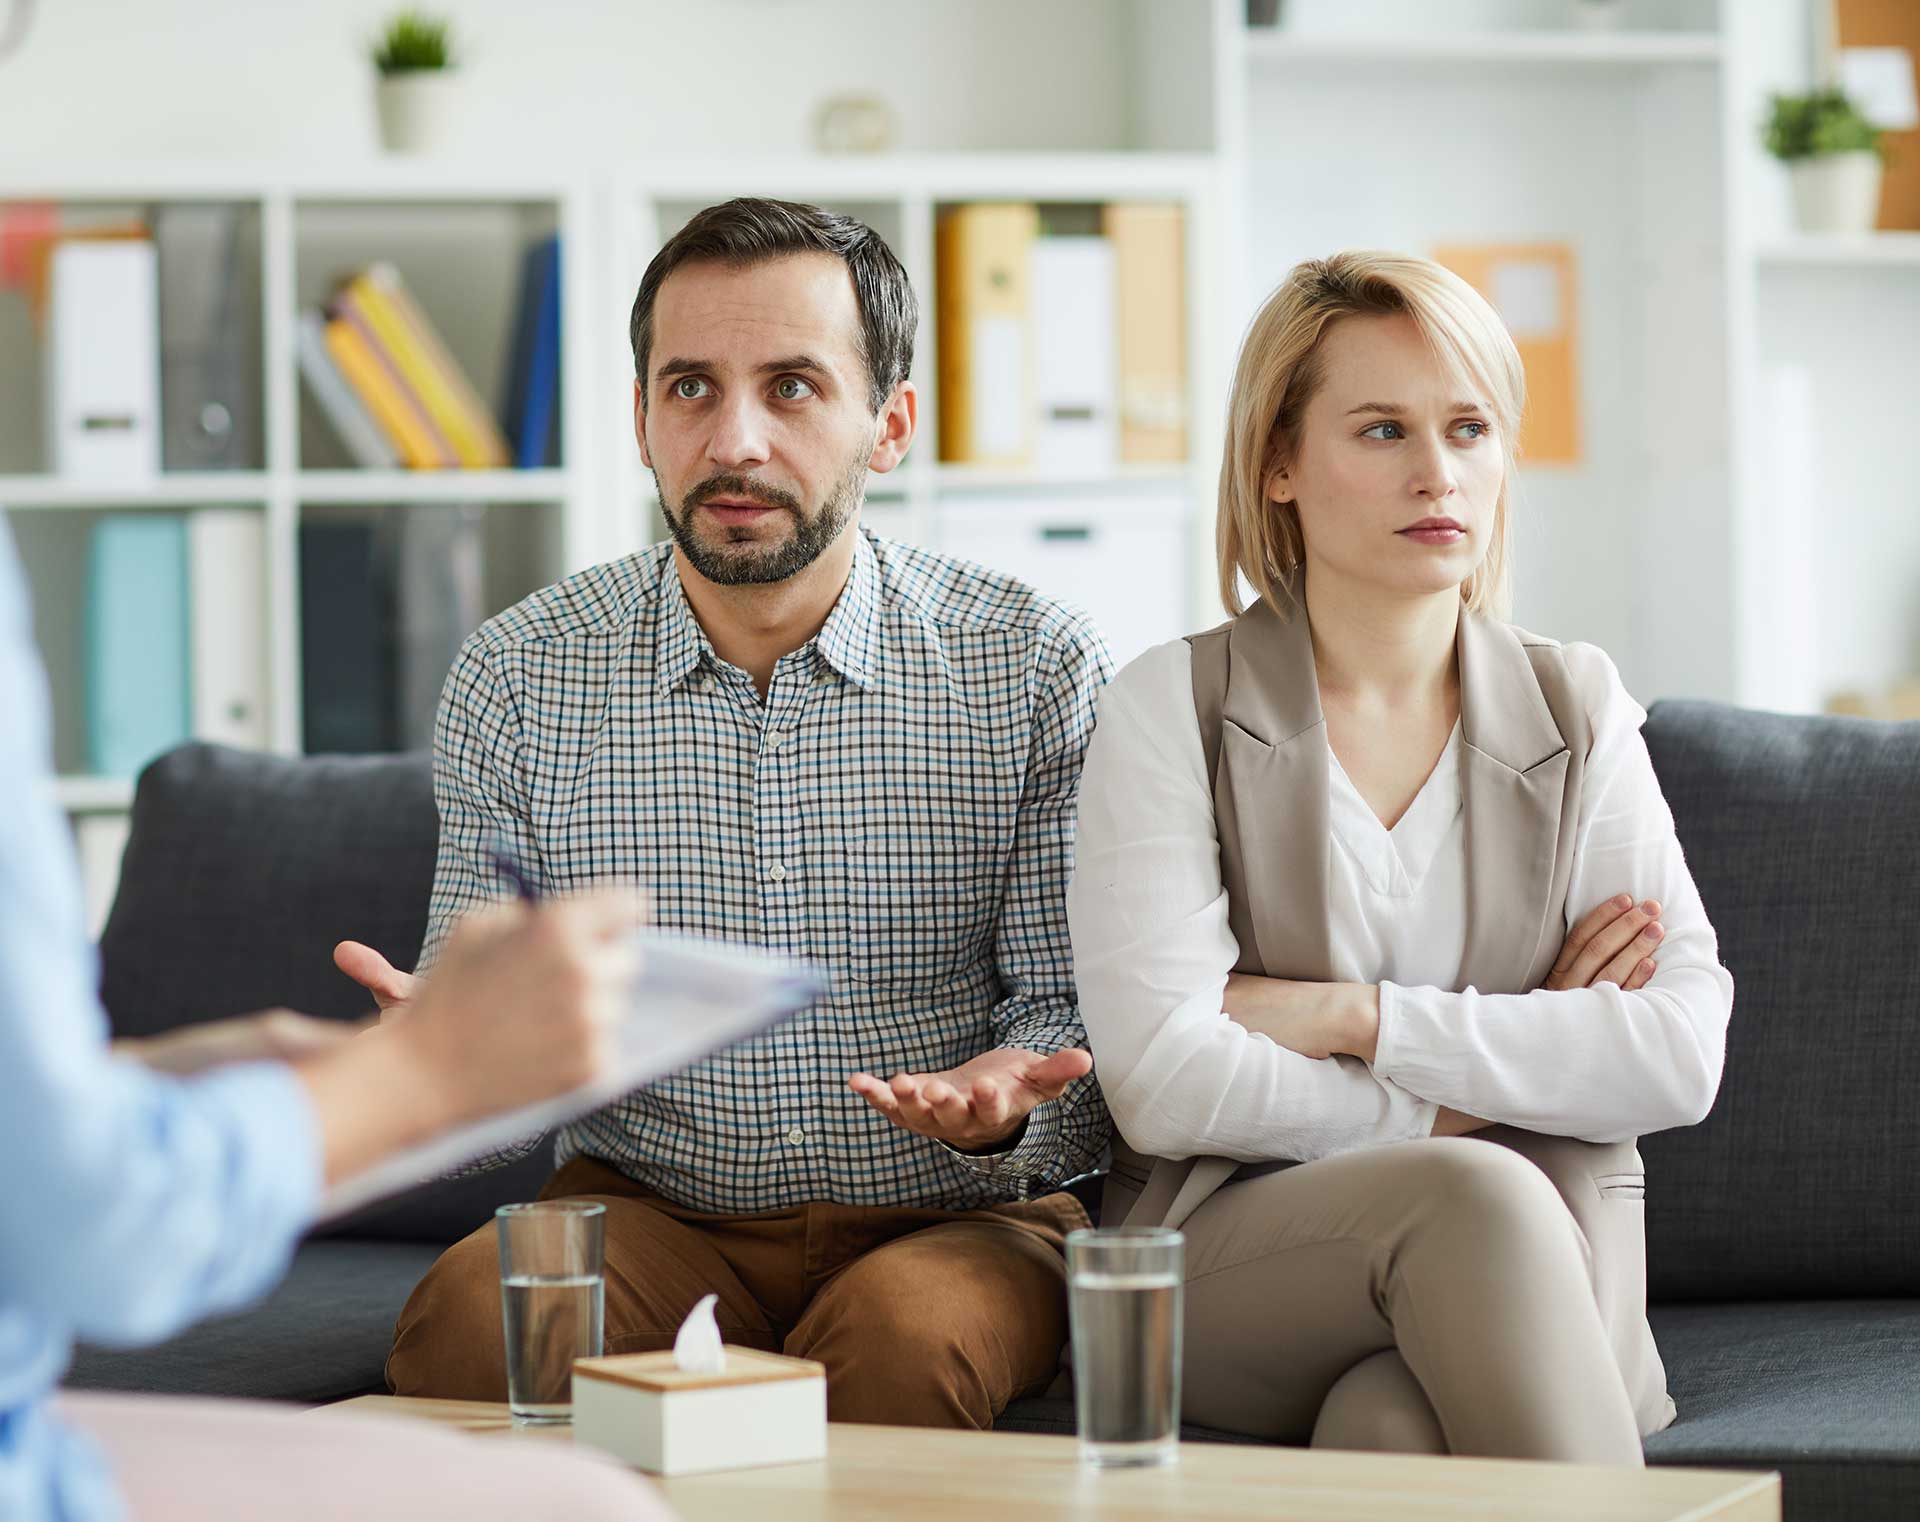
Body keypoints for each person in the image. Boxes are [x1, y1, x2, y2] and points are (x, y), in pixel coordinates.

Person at [336, 198, 1113, 1429]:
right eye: (689, 387)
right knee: (479, 1320)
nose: (733, 439)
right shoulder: (519, 673)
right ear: (641, 421)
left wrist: (1006, 1106)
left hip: (956, 1216)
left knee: (906, 1346)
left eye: (794, 387)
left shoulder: (1030, 662)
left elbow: (1072, 1027)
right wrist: (441, 1062)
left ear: (891, 423)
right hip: (651, 1212)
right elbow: (478, 1097)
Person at [1068, 251, 1735, 1463]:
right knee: (1476, 1194)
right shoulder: (1172, 704)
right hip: (1236, 1253)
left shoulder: (1575, 702)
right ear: (1278, 462)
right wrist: (1492, 1085)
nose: (1439, 473)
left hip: (1556, 1254)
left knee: (1388, 1425)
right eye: (1382, 429)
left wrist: (1352, 1015)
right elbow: (1165, 1081)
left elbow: (1679, 1054)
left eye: (1469, 427)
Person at [0, 519, 671, 1521]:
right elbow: (89, 1227)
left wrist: (145, 1080)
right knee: (587, 1505)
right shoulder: (520, 664)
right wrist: (423, 1072)